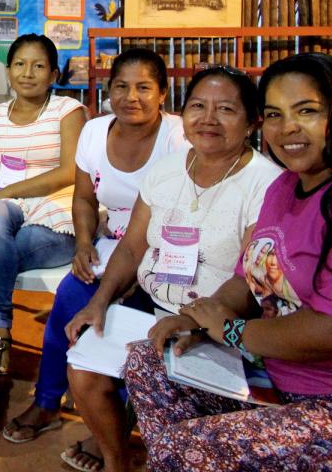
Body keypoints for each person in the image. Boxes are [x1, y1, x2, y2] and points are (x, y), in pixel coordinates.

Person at [125, 53, 332, 472]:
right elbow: (248, 272)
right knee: (148, 359)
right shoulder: (285, 187)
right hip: (271, 373)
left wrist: (230, 331)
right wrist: (193, 318)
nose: (289, 128)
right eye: (276, 114)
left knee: (180, 448)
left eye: (308, 111)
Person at [63, 65, 282, 472]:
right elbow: (131, 248)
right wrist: (100, 301)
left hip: (222, 323)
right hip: (154, 304)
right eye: (198, 106)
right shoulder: (166, 171)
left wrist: (193, 320)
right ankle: (117, 460)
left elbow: (249, 278)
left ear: (252, 121)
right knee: (84, 366)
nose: (208, 119)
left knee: (171, 382)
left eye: (226, 110)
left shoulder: (266, 184)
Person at [1, 49, 188, 457]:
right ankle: (47, 402)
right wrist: (84, 243)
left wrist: (133, 274)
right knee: (69, 298)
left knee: (132, 315)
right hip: (109, 242)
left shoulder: (177, 136)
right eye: (121, 86)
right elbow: (84, 199)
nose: (131, 97)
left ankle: (115, 426)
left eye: (143, 87)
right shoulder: (94, 132)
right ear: (107, 90)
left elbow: (180, 213)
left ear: (162, 93)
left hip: (165, 250)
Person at [0, 34, 87, 375]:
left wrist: (3, 192)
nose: (28, 73)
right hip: (6, 211)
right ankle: (0, 331)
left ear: (54, 74)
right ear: (7, 70)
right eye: (19, 64)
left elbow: (69, 173)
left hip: (58, 214)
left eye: (38, 66)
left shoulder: (68, 111)